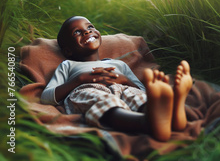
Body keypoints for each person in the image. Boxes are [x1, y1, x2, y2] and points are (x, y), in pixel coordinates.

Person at [41, 16, 192, 141]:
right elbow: (46, 97)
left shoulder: (118, 64)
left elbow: (142, 89)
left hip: (124, 87)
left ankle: (170, 115)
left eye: (90, 27)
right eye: (77, 32)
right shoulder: (68, 65)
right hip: (87, 90)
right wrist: (80, 79)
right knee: (105, 102)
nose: (87, 32)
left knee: (138, 97)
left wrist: (124, 80)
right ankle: (148, 122)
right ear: (67, 50)